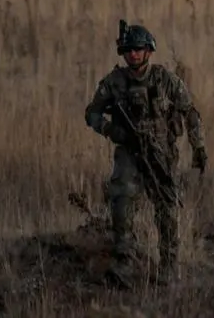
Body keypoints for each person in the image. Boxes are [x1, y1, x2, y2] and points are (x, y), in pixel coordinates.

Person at [84, 20, 207, 282]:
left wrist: (199, 147)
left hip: (160, 153)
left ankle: (169, 267)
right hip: (129, 152)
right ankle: (125, 262)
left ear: (148, 50)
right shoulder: (114, 82)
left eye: (138, 49)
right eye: (128, 50)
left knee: (167, 208)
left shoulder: (165, 79)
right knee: (122, 201)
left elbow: (190, 112)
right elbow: (92, 113)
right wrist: (110, 130)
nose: (133, 54)